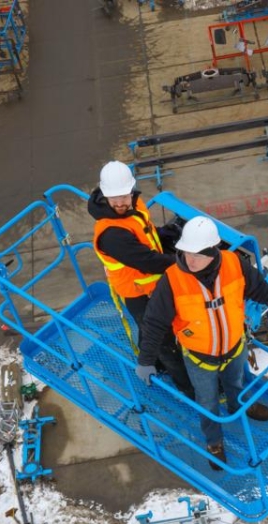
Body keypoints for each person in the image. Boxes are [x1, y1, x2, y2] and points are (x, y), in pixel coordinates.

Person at [135, 216, 268, 469]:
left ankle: (241, 406)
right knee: (207, 401)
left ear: (213, 252)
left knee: (236, 384)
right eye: (186, 253)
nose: (190, 260)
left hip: (234, 348)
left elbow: (260, 289)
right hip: (199, 358)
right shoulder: (172, 281)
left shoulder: (234, 264)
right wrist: (146, 361)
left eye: (197, 255)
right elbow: (155, 323)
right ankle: (214, 442)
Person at [88, 160, 195, 399]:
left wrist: (160, 233)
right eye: (114, 199)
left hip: (151, 287)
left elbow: (143, 230)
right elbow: (146, 261)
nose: (120, 204)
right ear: (104, 196)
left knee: (148, 331)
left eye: (124, 196)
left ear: (131, 190)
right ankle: (187, 389)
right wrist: (185, 263)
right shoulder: (111, 234)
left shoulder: (133, 204)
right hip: (137, 293)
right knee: (163, 340)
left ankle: (155, 363)